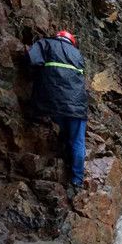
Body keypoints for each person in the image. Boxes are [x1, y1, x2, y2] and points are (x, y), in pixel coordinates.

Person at [27, 30, 87, 194]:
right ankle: (77, 180)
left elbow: (32, 59)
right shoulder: (78, 55)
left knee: (65, 132)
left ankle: (64, 157)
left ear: (57, 37)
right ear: (72, 42)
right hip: (77, 105)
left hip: (53, 104)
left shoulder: (46, 43)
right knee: (78, 141)